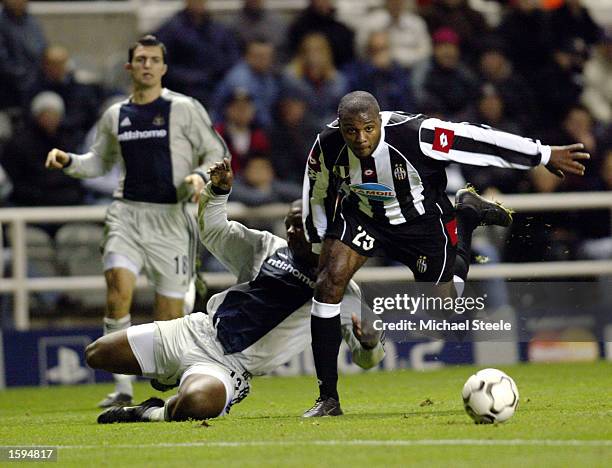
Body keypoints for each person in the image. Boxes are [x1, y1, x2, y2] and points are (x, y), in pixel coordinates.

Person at [301, 90, 590, 416]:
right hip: (364, 219)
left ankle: (465, 217)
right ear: (340, 127)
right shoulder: (326, 143)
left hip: (423, 225)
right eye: (351, 131)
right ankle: (328, 398)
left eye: (368, 128)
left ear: (379, 121)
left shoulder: (416, 134)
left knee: (444, 306)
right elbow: (316, 189)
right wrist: (316, 242)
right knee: (327, 284)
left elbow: (479, 139)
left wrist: (542, 154)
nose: (361, 138)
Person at [88, 159, 385, 423]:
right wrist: (217, 193)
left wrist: (370, 344)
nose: (291, 232)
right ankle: (171, 373)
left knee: (196, 403)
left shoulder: (343, 291)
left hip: (230, 366)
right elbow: (215, 232)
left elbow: (366, 359)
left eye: (299, 226)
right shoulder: (267, 246)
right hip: (196, 331)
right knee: (97, 354)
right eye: (289, 225)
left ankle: (150, 412)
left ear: (319, 229)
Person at [45, 35, 229, 408]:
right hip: (127, 215)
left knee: (169, 318)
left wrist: (198, 175)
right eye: (140, 59)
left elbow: (216, 152)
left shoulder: (184, 108)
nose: (146, 65)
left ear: (163, 67)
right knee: (117, 291)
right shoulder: (116, 114)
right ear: (130, 67)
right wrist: (69, 162)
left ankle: (169, 380)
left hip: (171, 220)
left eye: (153, 59)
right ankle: (123, 388)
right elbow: (100, 161)